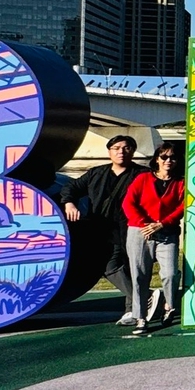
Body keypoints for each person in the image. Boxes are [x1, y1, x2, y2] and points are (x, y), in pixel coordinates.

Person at [61, 134, 146, 324]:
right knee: (113, 266)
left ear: (133, 151)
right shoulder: (96, 173)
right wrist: (69, 203)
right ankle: (139, 304)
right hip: (100, 229)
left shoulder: (143, 175)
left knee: (125, 267)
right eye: (116, 148)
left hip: (131, 228)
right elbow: (71, 188)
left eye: (126, 148)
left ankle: (135, 308)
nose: (121, 152)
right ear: (109, 151)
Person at [122, 142, 187, 336]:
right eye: (164, 157)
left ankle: (169, 305)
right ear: (157, 159)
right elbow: (128, 203)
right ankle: (141, 317)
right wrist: (145, 224)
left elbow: (182, 207)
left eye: (172, 157)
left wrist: (162, 223)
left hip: (167, 233)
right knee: (140, 275)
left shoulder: (181, 183)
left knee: (170, 274)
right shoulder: (142, 179)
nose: (168, 161)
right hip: (139, 232)